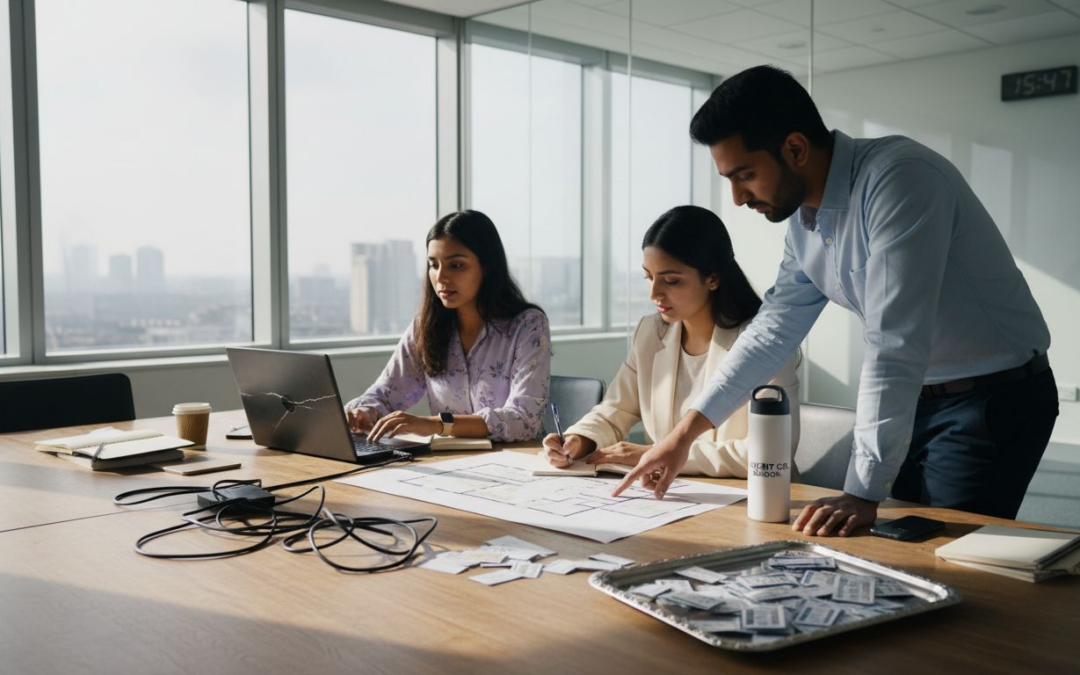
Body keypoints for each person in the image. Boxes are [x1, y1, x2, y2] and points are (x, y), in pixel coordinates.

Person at [616, 65, 1057, 537]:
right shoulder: (804, 222)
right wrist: (684, 435)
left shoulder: (900, 180)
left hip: (990, 397)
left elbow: (894, 342)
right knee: (892, 545)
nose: (739, 197)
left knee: (947, 557)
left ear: (796, 148)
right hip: (920, 397)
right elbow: (773, 331)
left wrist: (861, 491)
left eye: (745, 175)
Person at [541, 205, 800, 481]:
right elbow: (616, 409)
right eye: (648, 277)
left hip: (752, 500)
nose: (654, 293)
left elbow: (770, 453)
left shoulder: (766, 345)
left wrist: (656, 453)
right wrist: (579, 439)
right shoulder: (650, 333)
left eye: (671, 281)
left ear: (712, 279)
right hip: (672, 498)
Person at [345, 210, 551, 443]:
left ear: (487, 267)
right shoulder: (425, 327)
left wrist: (435, 424)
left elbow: (524, 420)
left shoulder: (528, 325)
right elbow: (385, 393)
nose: (441, 277)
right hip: (448, 463)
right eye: (433, 265)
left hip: (515, 462)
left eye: (456, 265)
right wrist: (364, 411)